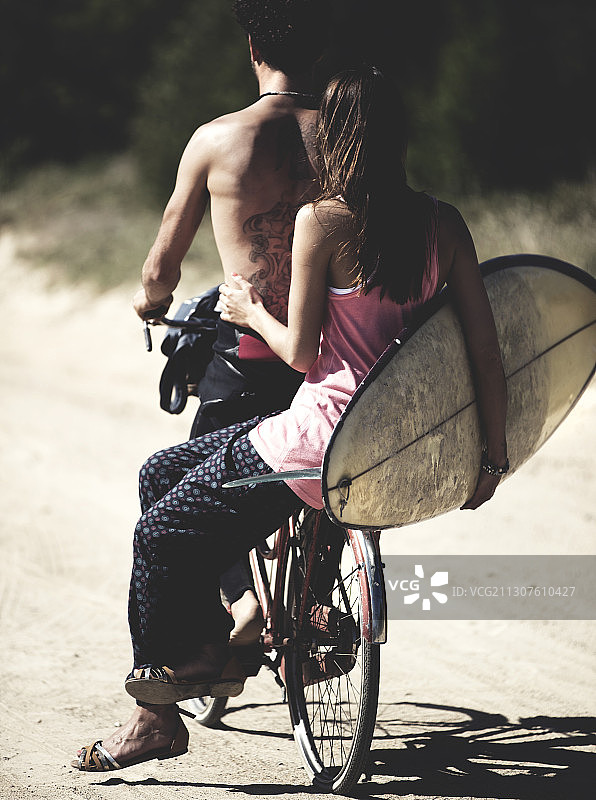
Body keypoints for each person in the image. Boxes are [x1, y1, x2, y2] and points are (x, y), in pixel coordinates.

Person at [73, 65, 508, 772]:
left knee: (158, 530)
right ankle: (218, 641)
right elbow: (486, 349)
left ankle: (164, 706)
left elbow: (302, 354)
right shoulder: (443, 223)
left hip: (313, 442)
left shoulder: (325, 221)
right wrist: (492, 455)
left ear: (335, 137)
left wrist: (247, 312)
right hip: (393, 438)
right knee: (162, 470)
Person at [133, 0, 333, 645]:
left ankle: (241, 605)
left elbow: (163, 264)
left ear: (253, 48)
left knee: (196, 481)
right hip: (340, 354)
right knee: (331, 476)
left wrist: (151, 302)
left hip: (253, 354)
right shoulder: (353, 134)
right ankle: (317, 601)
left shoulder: (218, 140)